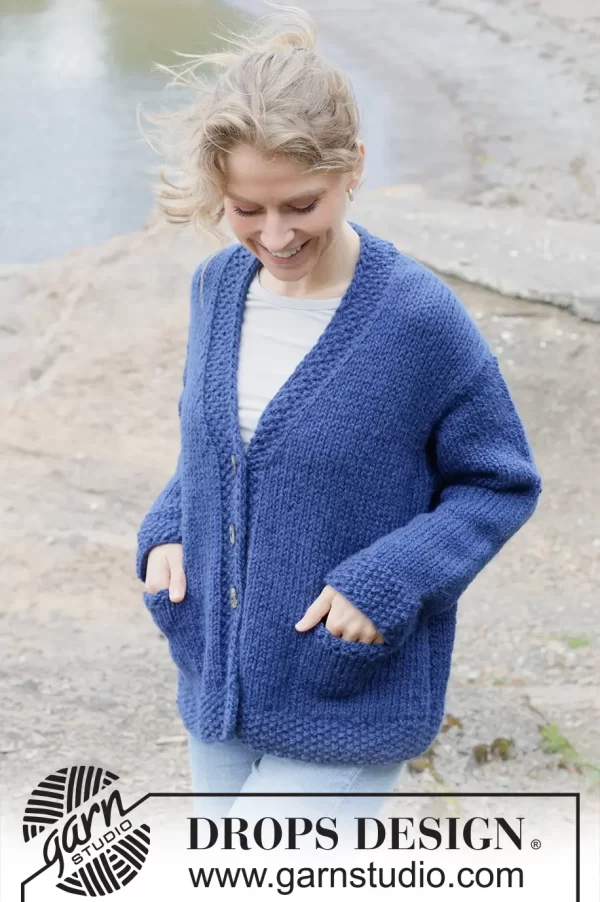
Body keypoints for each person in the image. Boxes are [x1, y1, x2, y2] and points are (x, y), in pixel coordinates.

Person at [135, 2, 542, 829]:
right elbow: (215, 449)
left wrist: (387, 582)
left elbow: (499, 484)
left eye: (301, 205)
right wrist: (170, 527)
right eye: (246, 209)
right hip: (216, 678)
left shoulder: (418, 320)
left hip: (343, 690)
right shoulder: (217, 288)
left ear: (353, 167)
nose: (275, 236)